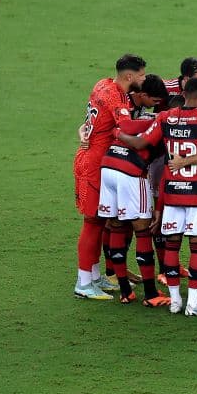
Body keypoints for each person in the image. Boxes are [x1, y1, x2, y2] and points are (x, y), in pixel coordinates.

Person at [117, 78, 197, 311]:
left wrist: (117, 133)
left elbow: (140, 142)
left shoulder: (165, 117)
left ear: (183, 93)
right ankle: (192, 303)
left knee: (172, 245)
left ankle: (175, 302)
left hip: (171, 193)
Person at [73, 54, 146, 299]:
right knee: (92, 222)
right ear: (129, 76)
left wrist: (84, 130)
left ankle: (94, 277)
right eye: (141, 75)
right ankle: (83, 284)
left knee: (99, 221)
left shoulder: (103, 84)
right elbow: (126, 129)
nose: (143, 79)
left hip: (95, 159)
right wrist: (158, 123)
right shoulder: (115, 96)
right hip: (93, 163)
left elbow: (93, 121)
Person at [98, 116, 165, 306]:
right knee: (143, 230)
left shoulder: (144, 119)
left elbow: (126, 124)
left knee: (116, 225)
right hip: (131, 172)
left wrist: (118, 132)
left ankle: (126, 292)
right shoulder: (165, 121)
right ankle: (151, 295)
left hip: (108, 165)